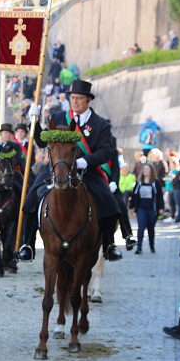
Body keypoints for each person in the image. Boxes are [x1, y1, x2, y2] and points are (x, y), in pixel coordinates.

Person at [17, 79, 123, 264]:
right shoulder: (58, 118)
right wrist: (33, 122)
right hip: (57, 168)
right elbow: (43, 142)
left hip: (87, 170)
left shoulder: (100, 124)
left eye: (79, 98)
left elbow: (107, 151)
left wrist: (85, 161)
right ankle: (27, 244)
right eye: (72, 98)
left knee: (109, 202)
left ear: (88, 100)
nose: (75, 102)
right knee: (31, 199)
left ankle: (109, 244)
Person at [130, 163, 162, 254]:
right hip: (141, 208)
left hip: (152, 209)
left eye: (147, 169)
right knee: (141, 228)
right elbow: (134, 195)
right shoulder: (139, 182)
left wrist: (161, 207)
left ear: (151, 171)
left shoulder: (156, 183)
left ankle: (152, 245)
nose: (145, 171)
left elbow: (160, 196)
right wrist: (131, 207)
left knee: (151, 228)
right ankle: (139, 247)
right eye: (144, 169)